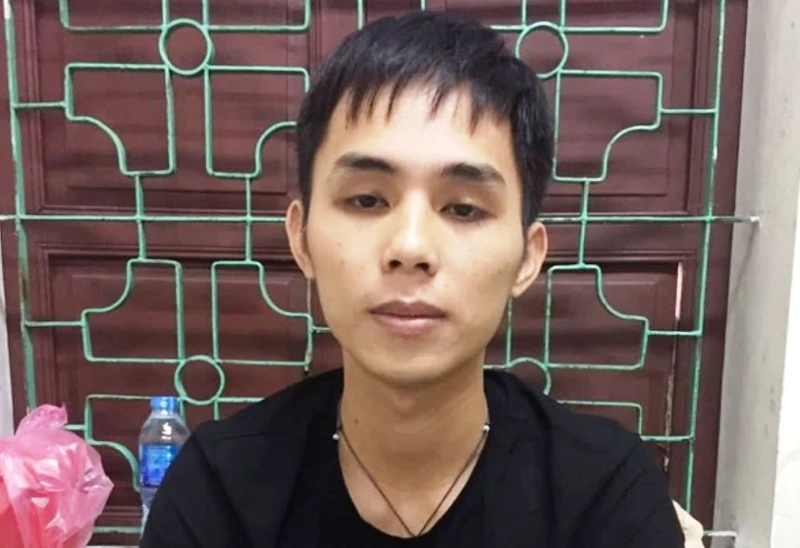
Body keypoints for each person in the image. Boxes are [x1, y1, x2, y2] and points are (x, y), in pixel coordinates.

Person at [141, 10, 685, 547]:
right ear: (302, 238)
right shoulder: (218, 492)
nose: (410, 247)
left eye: (464, 209)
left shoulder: (605, 495)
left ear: (527, 257)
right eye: (366, 200)